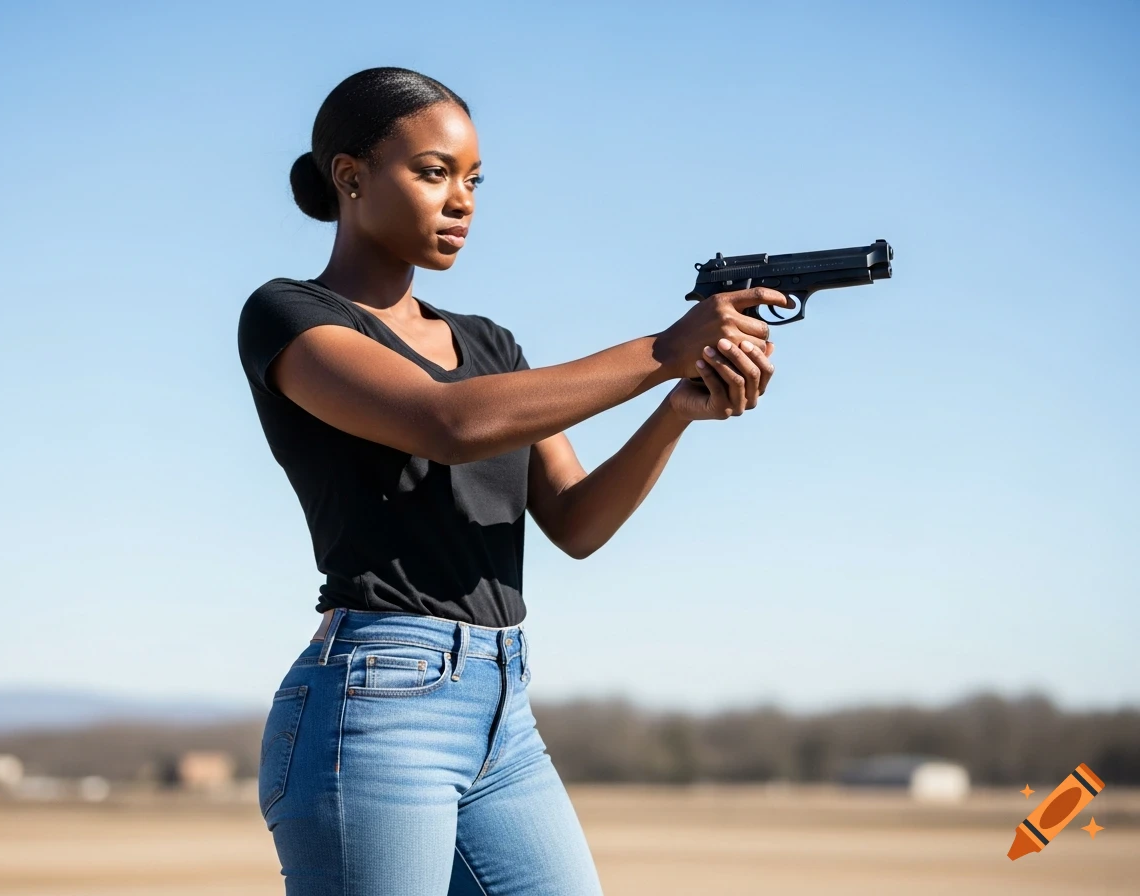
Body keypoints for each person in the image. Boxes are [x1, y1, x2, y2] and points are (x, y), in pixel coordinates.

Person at [237, 66, 790, 896]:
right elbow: (446, 423)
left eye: (473, 180)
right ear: (349, 177)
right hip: (378, 706)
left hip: (504, 709)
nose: (462, 200)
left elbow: (575, 522)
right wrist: (661, 348)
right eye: (433, 172)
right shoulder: (290, 316)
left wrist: (674, 408)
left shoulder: (491, 344)